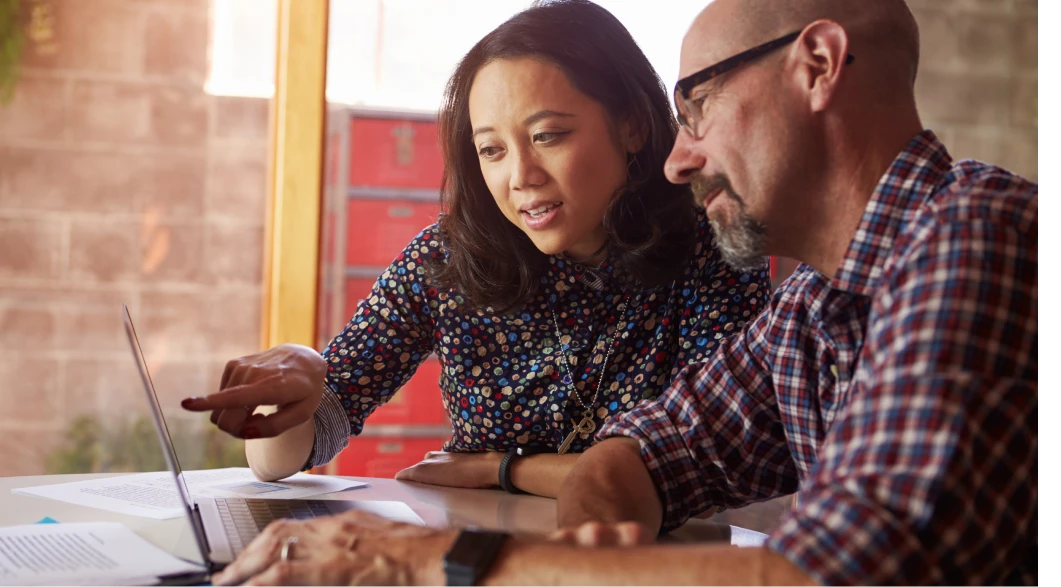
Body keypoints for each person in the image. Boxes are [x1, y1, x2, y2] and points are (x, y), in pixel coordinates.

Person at [207, 0, 1039, 585]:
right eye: (491, 149)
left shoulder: (973, 234)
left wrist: (428, 558)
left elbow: (832, 573)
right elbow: (655, 447)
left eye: (700, 106)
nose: (682, 158)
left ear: (816, 66)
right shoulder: (813, 305)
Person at [181, 0, 769, 500]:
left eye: (547, 136)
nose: (522, 176)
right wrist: (303, 373)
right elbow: (286, 458)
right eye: (492, 150)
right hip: (477, 560)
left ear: (633, 125)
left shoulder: (712, 247)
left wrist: (502, 469)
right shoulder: (450, 258)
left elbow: (714, 464)